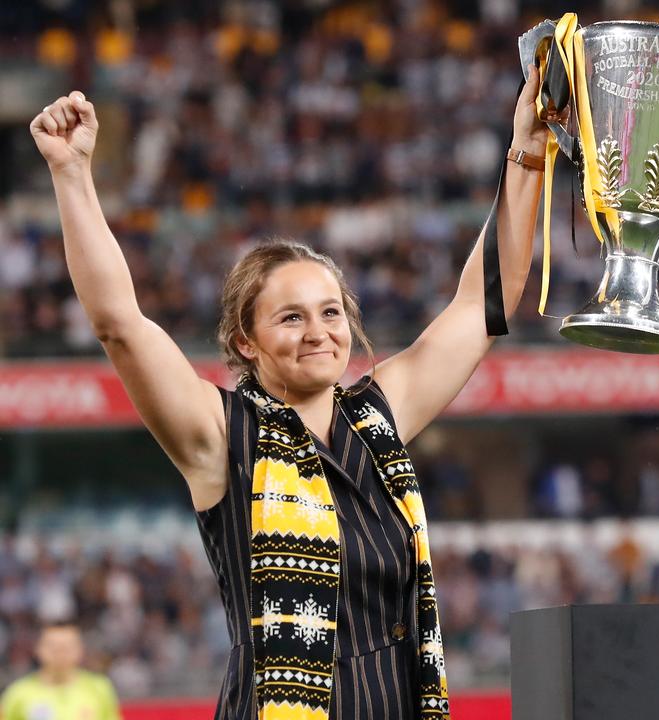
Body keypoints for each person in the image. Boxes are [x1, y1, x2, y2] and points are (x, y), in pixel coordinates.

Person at [29, 64, 550, 719]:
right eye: (290, 316)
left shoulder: (375, 418)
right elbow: (119, 325)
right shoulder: (222, 437)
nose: (318, 332)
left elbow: (484, 303)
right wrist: (72, 175)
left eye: (331, 312)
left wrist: (528, 149)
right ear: (244, 342)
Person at [0, 621, 121, 720]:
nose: (60, 653)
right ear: (38, 649)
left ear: (80, 650)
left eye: (67, 647)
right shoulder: (18, 693)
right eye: (53, 647)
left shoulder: (99, 688)